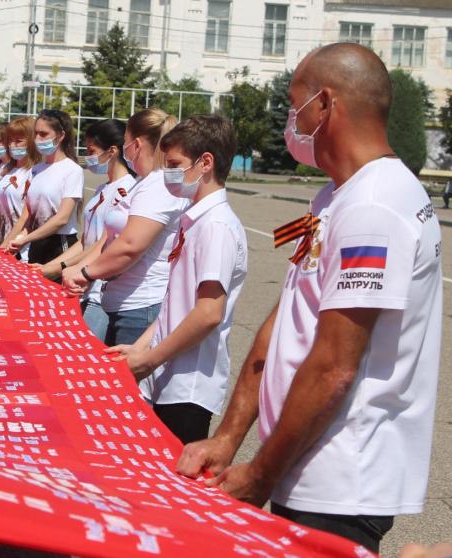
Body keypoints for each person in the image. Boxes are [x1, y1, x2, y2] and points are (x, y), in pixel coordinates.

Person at [177, 43, 442, 554]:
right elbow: (287, 316)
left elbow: (333, 367)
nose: (290, 122)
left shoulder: (375, 208)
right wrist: (230, 436)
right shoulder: (335, 197)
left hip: (341, 479)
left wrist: (260, 475)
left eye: (294, 107)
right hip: (308, 464)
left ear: (324, 105)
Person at [106, 115, 248, 444]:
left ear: (205, 163)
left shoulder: (216, 226)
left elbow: (208, 312)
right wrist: (141, 347)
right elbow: (178, 301)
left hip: (189, 386)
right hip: (167, 374)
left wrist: (149, 359)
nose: (167, 172)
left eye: (174, 164)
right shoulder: (194, 219)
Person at [62, 108, 188, 347]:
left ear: (136, 144)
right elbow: (109, 239)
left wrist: (87, 273)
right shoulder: (143, 183)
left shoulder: (158, 186)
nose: (125, 148)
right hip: (122, 301)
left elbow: (130, 246)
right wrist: (81, 268)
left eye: (126, 142)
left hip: (141, 306)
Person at [33, 119, 137, 341]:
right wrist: (51, 267)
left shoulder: (127, 191)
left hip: (99, 290)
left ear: (112, 151)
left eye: (92, 151)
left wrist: (70, 269)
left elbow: (105, 243)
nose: (88, 156)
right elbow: (85, 240)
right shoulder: (102, 188)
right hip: (82, 285)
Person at [7, 109, 83, 266]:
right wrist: (19, 239)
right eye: (36, 133)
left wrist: (26, 239)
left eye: (43, 134)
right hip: (36, 244)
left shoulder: (72, 170)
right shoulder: (36, 170)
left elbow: (62, 218)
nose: (37, 139)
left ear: (61, 136)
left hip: (59, 245)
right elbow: (30, 215)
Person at [0, 117, 40, 259]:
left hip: (19, 250)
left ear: (31, 142)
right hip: (1, 244)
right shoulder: (6, 169)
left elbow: (25, 218)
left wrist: (4, 247)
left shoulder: (34, 172)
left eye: (18, 141)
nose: (12, 145)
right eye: (10, 140)